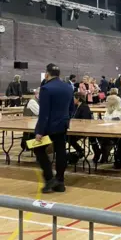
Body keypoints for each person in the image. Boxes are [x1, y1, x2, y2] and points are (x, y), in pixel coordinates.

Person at [34, 63, 74, 193]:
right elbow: (71, 109)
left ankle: (50, 178)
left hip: (49, 127)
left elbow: (44, 113)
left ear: (47, 74)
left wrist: (40, 131)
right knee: (60, 151)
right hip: (63, 125)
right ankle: (60, 182)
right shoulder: (68, 87)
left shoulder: (46, 88)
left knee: (38, 149)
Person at [95, 95, 121, 163]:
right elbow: (105, 119)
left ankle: (104, 153)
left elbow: (115, 123)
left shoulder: (118, 111)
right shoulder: (108, 111)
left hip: (115, 132)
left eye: (107, 101)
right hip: (105, 130)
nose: (105, 102)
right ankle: (100, 151)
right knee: (94, 136)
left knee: (105, 139)